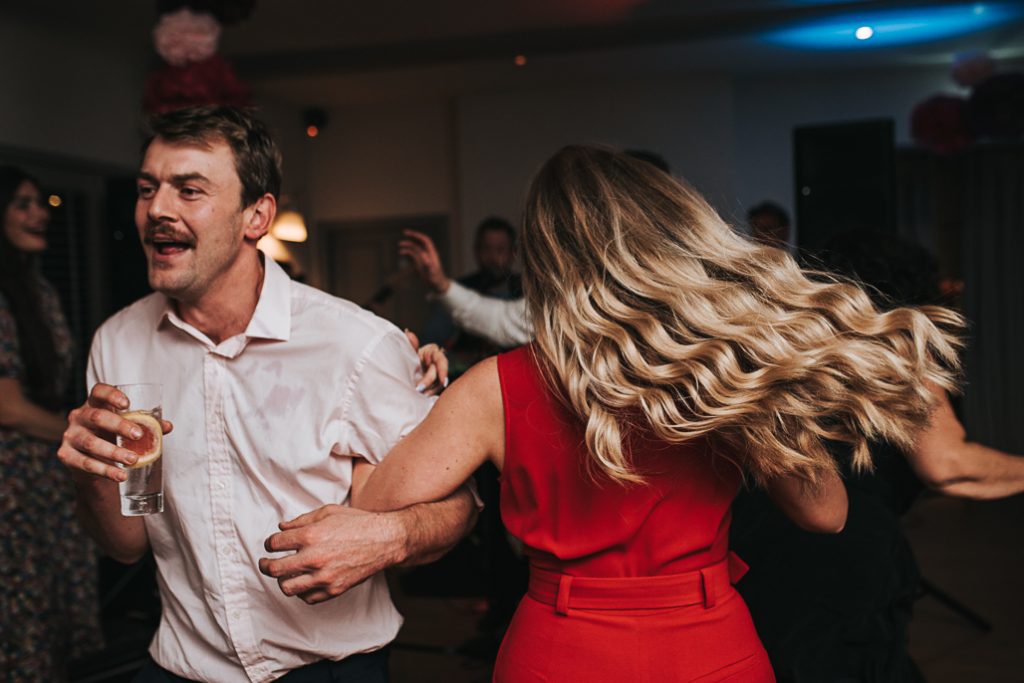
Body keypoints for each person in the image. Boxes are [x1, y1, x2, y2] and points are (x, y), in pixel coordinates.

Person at [344, 145, 963, 681]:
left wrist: (402, 394)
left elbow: (372, 502)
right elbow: (827, 515)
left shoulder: (493, 387)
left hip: (560, 651)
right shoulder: (729, 366)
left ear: (544, 257)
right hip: (709, 646)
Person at [57, 106, 475, 683]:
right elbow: (127, 542)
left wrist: (391, 536)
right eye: (148, 189)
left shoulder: (358, 345)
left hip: (328, 670)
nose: (156, 210)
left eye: (189, 190)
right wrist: (90, 476)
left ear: (256, 216)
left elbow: (459, 504)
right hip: (182, 667)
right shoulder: (119, 344)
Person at [731, 229, 1024, 683]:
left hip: (757, 547)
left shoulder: (781, 348)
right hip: (845, 554)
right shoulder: (898, 349)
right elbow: (948, 466)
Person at [0, 166, 103, 680]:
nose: (38, 213)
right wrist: (81, 431)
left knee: (57, 623)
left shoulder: (37, 289)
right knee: (24, 626)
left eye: (40, 203)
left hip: (46, 478)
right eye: (22, 204)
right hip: (12, 488)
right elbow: (8, 407)